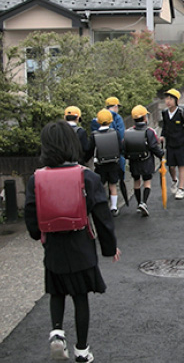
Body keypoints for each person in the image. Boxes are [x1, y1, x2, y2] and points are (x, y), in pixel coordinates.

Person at [24, 121, 120, 363]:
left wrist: (38, 235)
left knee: (56, 293)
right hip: (81, 246)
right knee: (80, 297)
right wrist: (110, 247)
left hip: (54, 247)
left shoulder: (36, 179)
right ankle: (82, 350)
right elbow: (102, 215)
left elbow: (31, 217)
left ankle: (57, 333)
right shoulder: (86, 176)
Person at [123, 105, 164, 217]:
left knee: (136, 181)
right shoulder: (149, 131)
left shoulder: (128, 132)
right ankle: (144, 202)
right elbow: (153, 146)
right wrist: (161, 155)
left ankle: (138, 203)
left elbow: (124, 148)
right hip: (146, 161)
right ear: (145, 118)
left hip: (134, 161)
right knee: (147, 181)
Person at [160, 89, 184, 200]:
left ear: (176, 101)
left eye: (171, 99)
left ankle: (181, 189)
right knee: (171, 166)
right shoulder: (165, 113)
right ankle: (174, 180)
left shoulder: (182, 113)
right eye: (167, 99)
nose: (168, 101)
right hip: (170, 144)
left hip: (181, 143)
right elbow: (165, 127)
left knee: (181, 165)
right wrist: (162, 136)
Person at [85, 109, 123, 217]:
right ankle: (114, 207)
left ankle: (102, 205)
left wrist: (85, 159)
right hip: (114, 162)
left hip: (101, 164)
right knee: (113, 184)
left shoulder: (94, 135)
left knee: (101, 185)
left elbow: (90, 149)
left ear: (98, 121)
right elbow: (120, 147)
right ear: (111, 121)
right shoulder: (115, 133)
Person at [91, 97, 126, 175]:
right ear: (115, 106)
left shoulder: (98, 118)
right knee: (115, 179)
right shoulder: (117, 118)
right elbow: (121, 134)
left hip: (101, 154)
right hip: (115, 154)